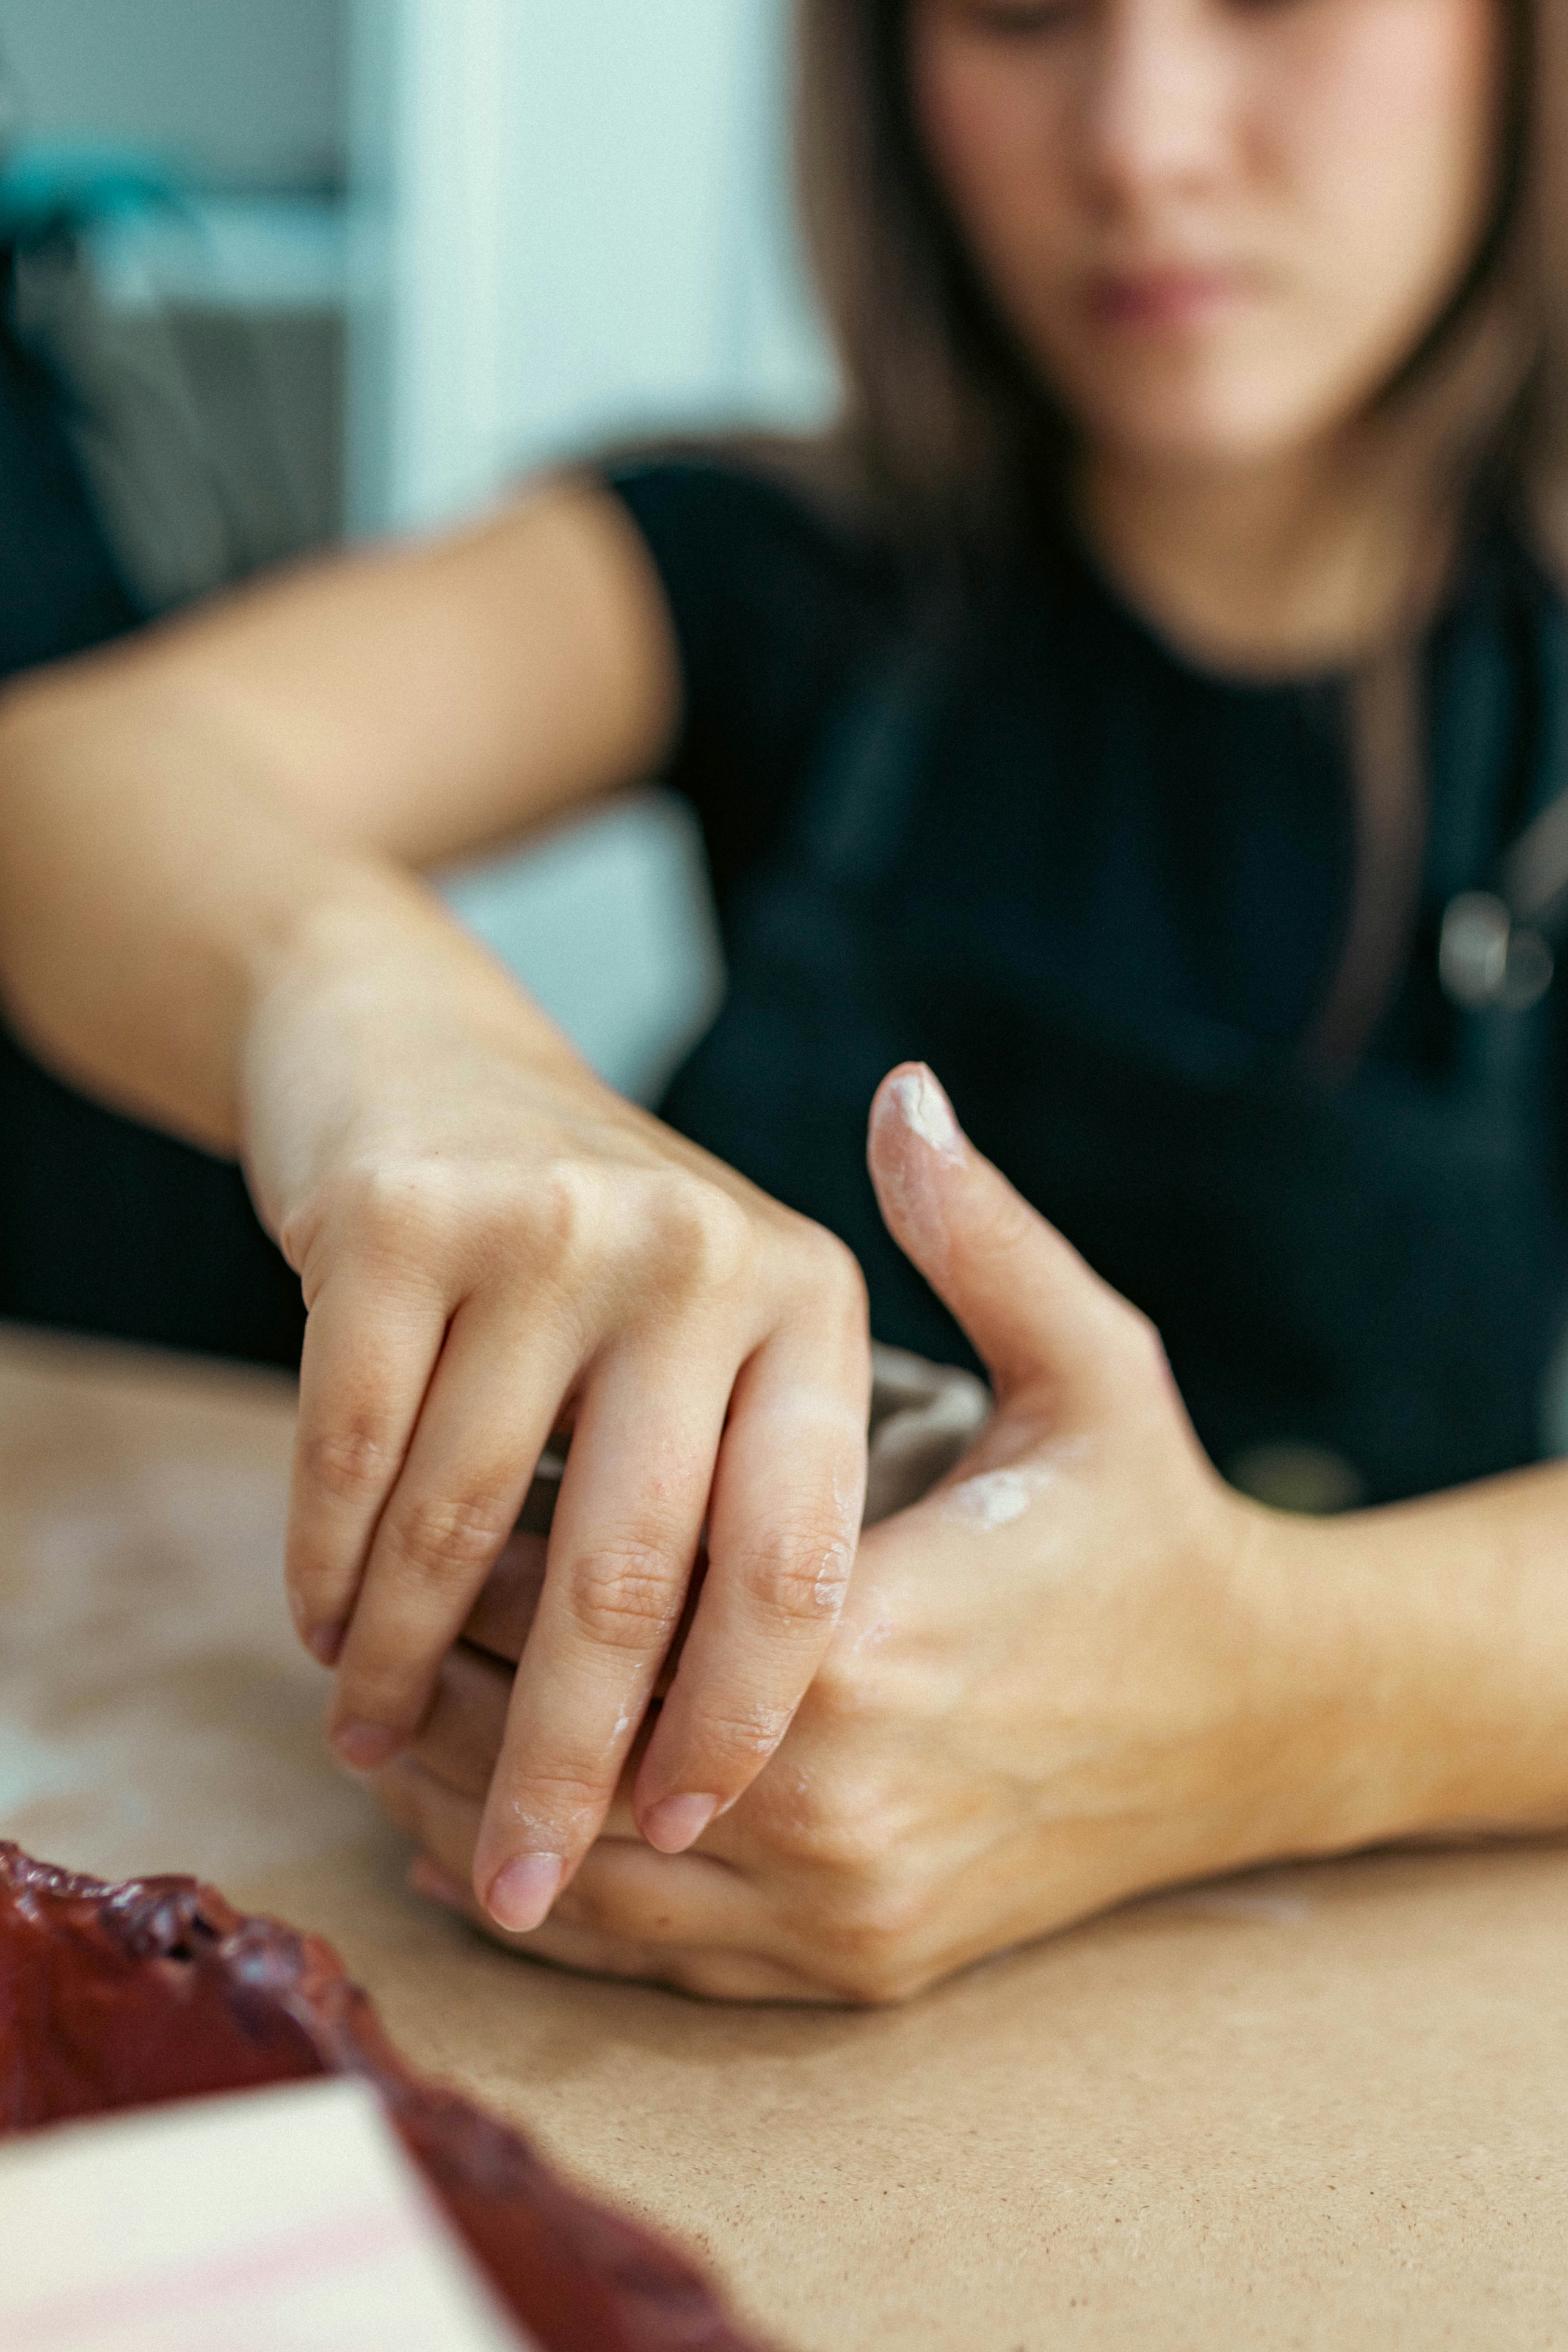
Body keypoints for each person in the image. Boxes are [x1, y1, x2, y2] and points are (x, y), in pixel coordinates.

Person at [4, 0, 1568, 2003]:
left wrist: (1268, 1700)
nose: (1142, 142)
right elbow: (74, 785)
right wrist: (399, 1033)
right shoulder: (775, 572)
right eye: (1017, 15)